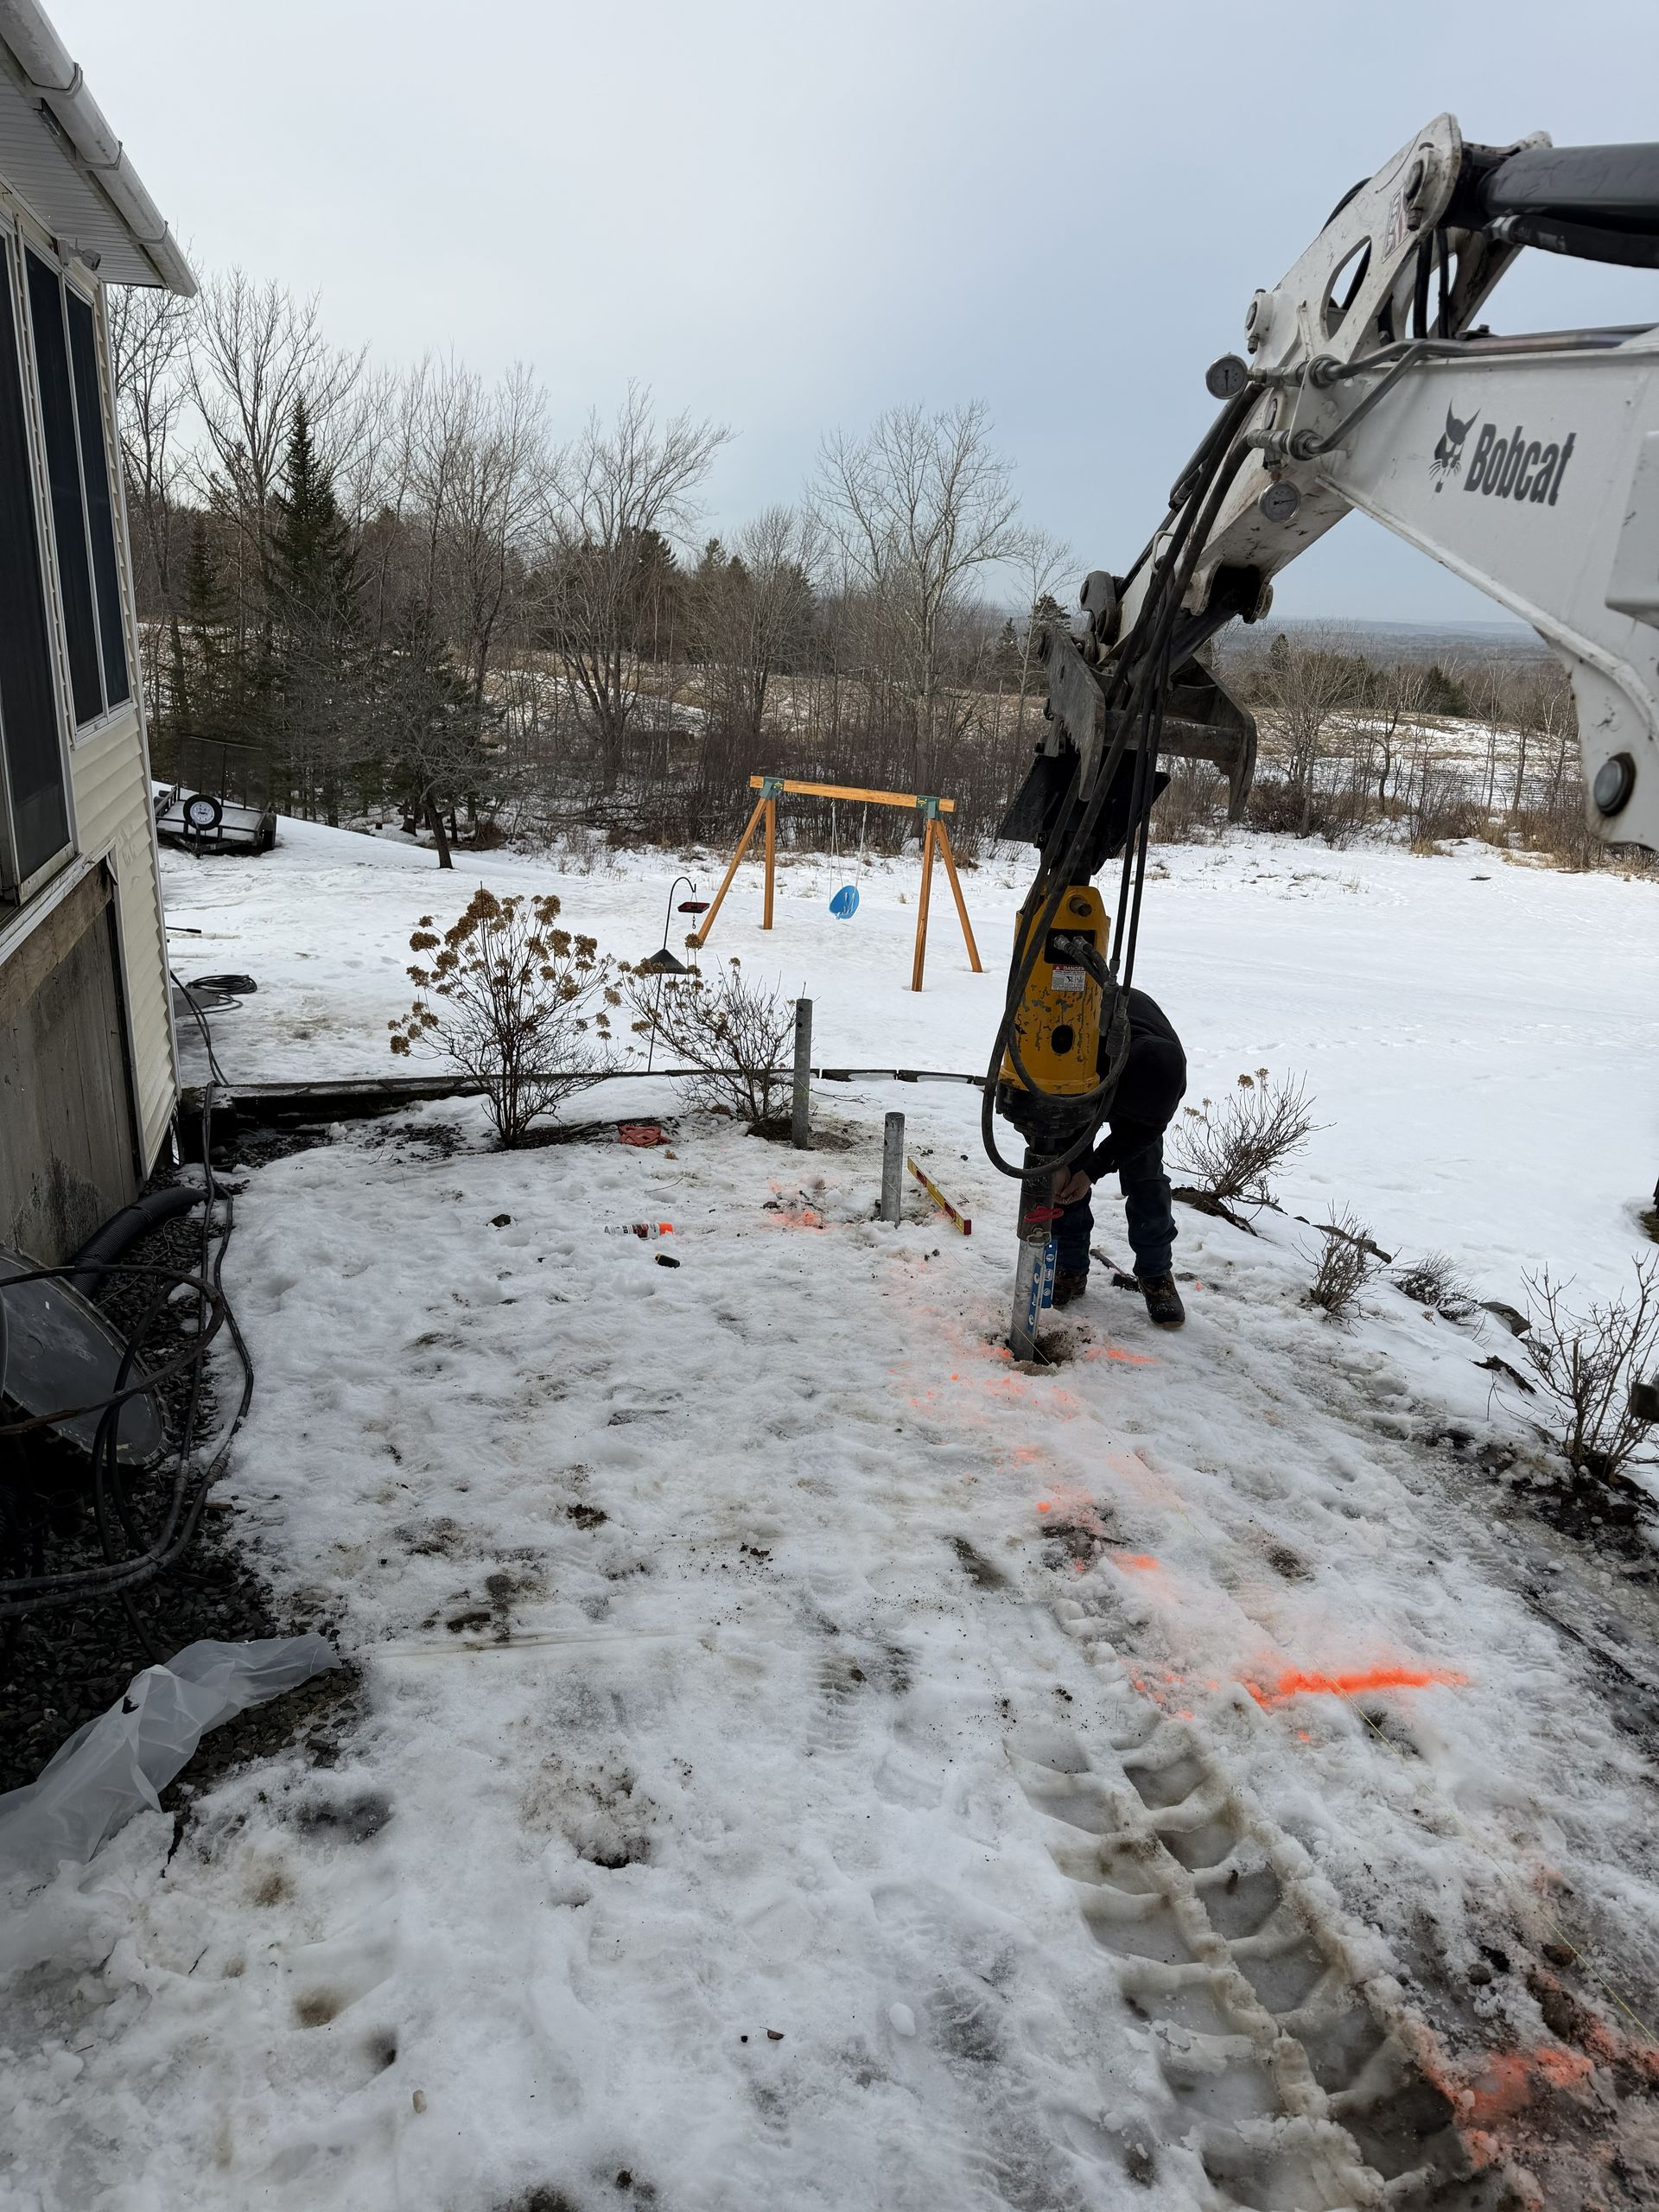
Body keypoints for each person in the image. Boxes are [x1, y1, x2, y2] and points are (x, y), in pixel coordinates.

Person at [1050, 988, 1187, 1326]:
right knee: (1067, 1177)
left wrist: (1094, 1171)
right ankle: (1070, 1266)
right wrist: (1063, 1164)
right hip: (1083, 1081)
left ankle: (1156, 1274)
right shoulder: (1080, 1049)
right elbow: (1039, 1106)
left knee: (1147, 1180)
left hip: (1133, 1078)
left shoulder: (1169, 1075)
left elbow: (1143, 1132)